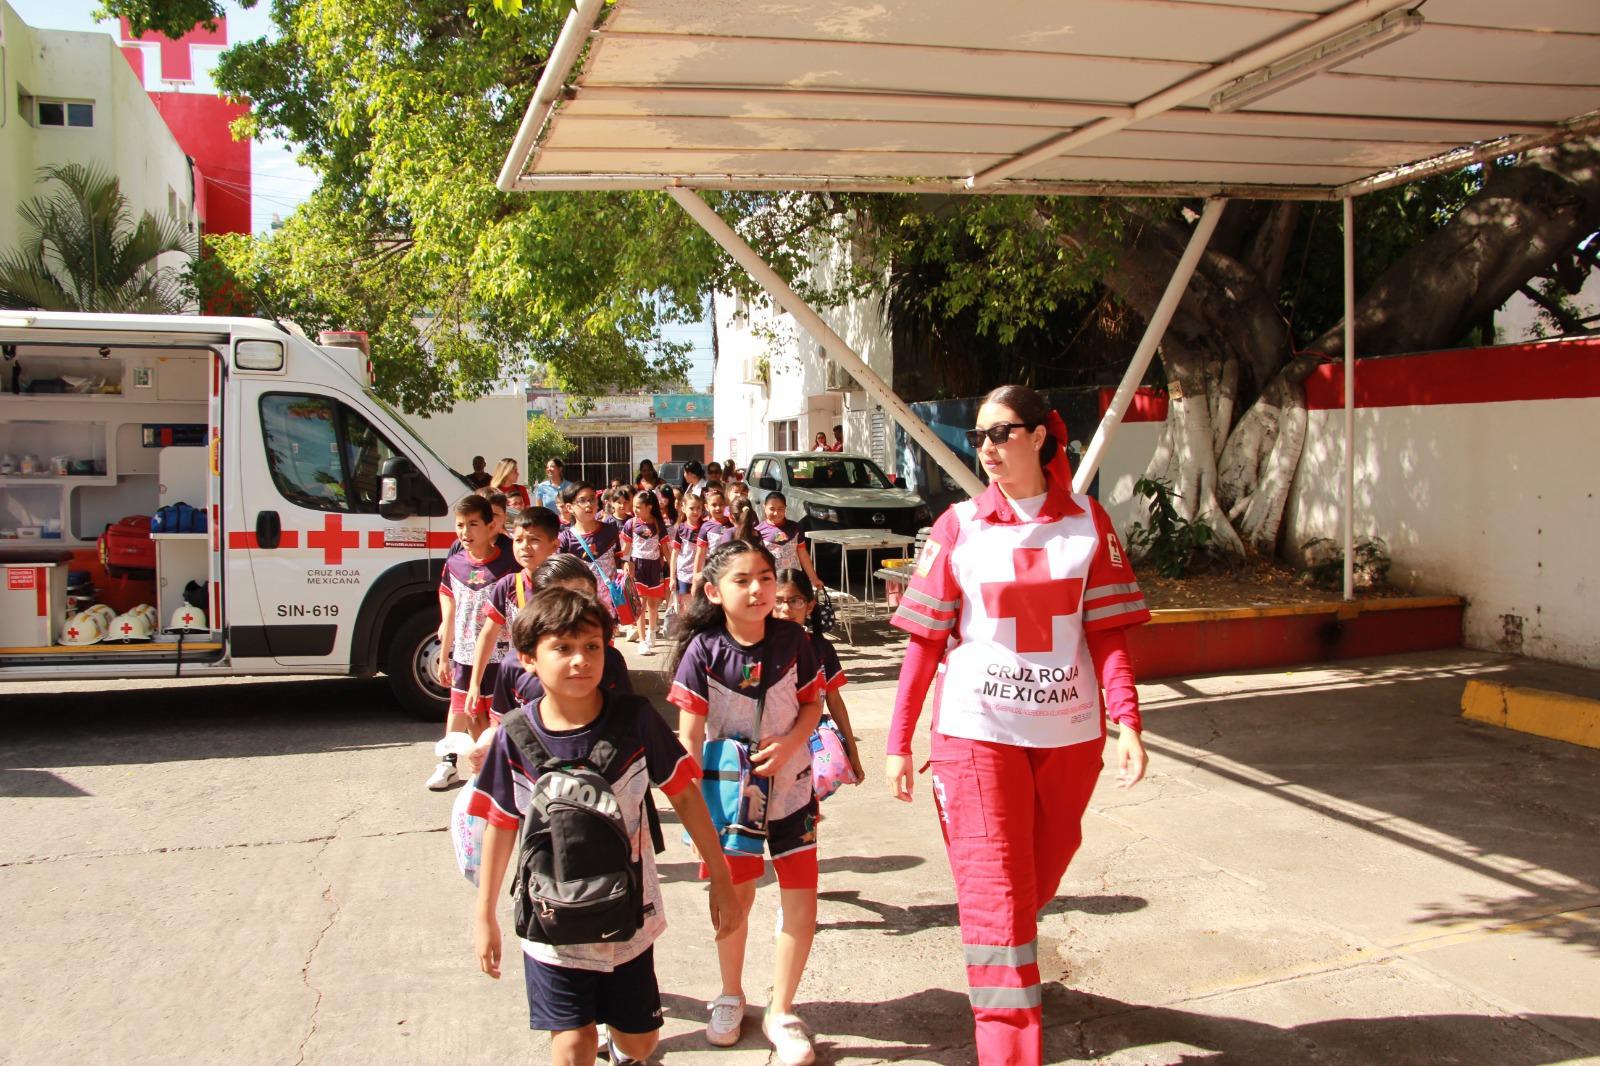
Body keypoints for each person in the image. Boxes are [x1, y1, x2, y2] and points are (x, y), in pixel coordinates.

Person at [885, 384, 1151, 1066]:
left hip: (1069, 733)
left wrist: (1127, 719)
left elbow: (1109, 634)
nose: (987, 448)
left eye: (1000, 432)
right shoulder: (958, 527)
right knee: (996, 892)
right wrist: (899, 740)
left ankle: (1006, 958)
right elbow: (923, 642)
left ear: (1039, 436)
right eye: (979, 437)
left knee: (1040, 870)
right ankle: (1008, 1046)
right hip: (975, 731)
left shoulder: (1089, 524)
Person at [469, 588, 736, 1066]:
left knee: (639, 1043)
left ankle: (626, 1049)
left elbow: (686, 796)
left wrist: (720, 874)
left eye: (592, 646)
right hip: (551, 924)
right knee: (572, 1047)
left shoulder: (635, 721)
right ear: (528, 659)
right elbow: (500, 824)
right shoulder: (512, 735)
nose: (580, 660)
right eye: (563, 648)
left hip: (629, 919)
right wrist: (484, 912)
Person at [668, 541, 824, 1065]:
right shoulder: (702, 651)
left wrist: (791, 744)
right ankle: (730, 994)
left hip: (794, 794)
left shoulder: (795, 639)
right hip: (729, 807)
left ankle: (782, 1010)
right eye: (742, 580)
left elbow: (812, 703)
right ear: (714, 591)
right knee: (733, 903)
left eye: (763, 576)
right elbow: (688, 740)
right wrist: (693, 817)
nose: (757, 589)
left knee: (802, 905)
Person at [468, 553, 636, 774]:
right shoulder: (513, 665)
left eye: (584, 599)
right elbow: (502, 726)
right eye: (563, 601)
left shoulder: (609, 662)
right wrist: (487, 746)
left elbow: (628, 726)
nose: (576, 612)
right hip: (533, 784)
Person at [427, 494, 519, 791]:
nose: (465, 532)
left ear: (491, 526)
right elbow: (449, 604)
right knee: (461, 709)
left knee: (497, 716)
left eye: (473, 524)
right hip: (463, 654)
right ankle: (448, 763)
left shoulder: (509, 563)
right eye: (460, 525)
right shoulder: (454, 563)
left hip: (500, 655)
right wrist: (444, 654)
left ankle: (497, 768)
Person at [462, 507, 563, 716]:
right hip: (521, 681)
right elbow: (488, 635)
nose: (525, 547)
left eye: (534, 539)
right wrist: (474, 684)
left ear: (555, 544)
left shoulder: (567, 583)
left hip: (560, 682)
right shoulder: (508, 585)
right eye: (518, 540)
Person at [773, 568, 864, 785]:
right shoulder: (759, 650)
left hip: (811, 754)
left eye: (795, 601)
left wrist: (853, 750)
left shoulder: (821, 649)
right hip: (772, 751)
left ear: (810, 605)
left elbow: (835, 701)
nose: (786, 609)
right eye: (778, 601)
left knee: (806, 814)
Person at [558, 483, 625, 620]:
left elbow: (618, 559)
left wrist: (627, 565)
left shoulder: (610, 531)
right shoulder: (565, 539)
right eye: (582, 500)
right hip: (580, 608)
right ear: (569, 507)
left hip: (608, 607)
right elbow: (559, 574)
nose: (588, 504)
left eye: (592, 499)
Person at [623, 490, 670, 654]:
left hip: (655, 567)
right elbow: (626, 549)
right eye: (634, 506)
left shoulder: (658, 523)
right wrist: (625, 564)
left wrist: (672, 569)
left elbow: (665, 548)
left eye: (638, 506)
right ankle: (642, 640)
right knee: (640, 604)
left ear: (649, 507)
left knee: (653, 603)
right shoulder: (631, 523)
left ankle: (652, 632)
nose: (634, 509)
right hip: (638, 567)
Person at [757, 492, 823, 590]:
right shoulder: (758, 531)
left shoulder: (795, 527)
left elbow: (803, 554)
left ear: (785, 508)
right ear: (764, 507)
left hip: (793, 578)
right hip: (771, 581)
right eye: (772, 509)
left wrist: (814, 578)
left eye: (780, 509)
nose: (776, 513)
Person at [669, 490, 706, 621]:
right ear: (683, 508)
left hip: (701, 572)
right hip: (684, 573)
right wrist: (672, 577)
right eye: (692, 508)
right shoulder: (680, 528)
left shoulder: (705, 527)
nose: (696, 511)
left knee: (700, 604)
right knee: (686, 605)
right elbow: (674, 553)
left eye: (698, 508)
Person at [694, 484, 734, 582]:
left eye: (721, 504)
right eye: (714, 505)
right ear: (706, 507)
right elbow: (700, 554)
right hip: (711, 568)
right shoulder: (705, 527)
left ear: (725, 505)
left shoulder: (732, 523)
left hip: (729, 567)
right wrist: (696, 577)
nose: (718, 508)